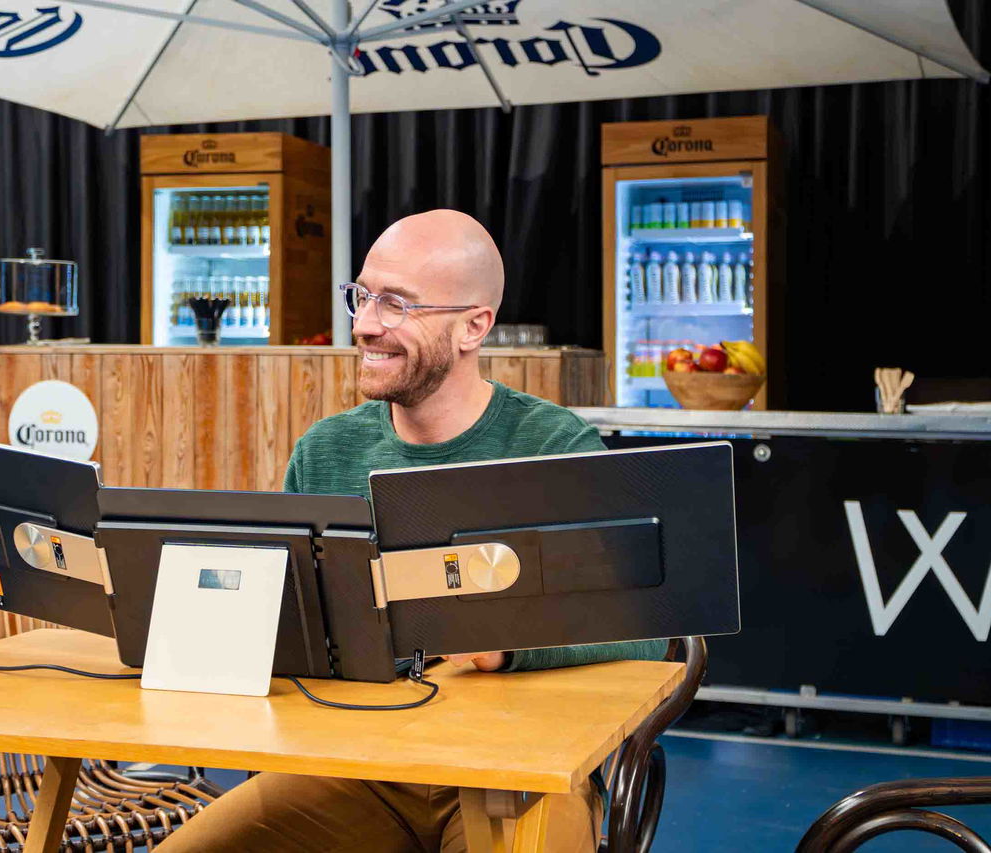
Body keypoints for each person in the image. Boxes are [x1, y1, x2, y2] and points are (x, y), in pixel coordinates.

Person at [159, 209, 666, 852]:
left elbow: (651, 631)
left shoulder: (554, 447)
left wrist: (509, 648)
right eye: (362, 296)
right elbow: (291, 625)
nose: (365, 324)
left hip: (522, 775)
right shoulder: (325, 451)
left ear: (473, 326)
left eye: (396, 304)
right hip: (355, 769)